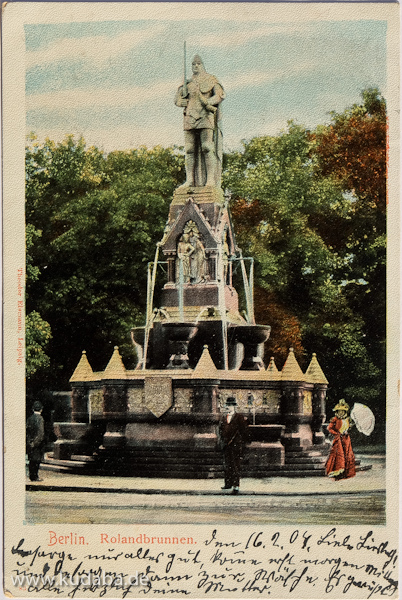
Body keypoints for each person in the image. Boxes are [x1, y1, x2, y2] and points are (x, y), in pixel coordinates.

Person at [175, 55, 225, 188]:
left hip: (205, 115)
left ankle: (210, 181)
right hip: (190, 116)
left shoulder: (211, 79)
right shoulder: (188, 83)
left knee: (207, 147)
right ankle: (190, 180)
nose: (195, 66)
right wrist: (181, 101)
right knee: (190, 149)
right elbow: (177, 99)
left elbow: (219, 95)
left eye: (198, 64)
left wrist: (208, 102)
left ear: (202, 65)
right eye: (193, 64)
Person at [219, 397, 250, 493]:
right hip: (226, 445)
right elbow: (221, 430)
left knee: (236, 465)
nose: (228, 407)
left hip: (236, 445)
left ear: (234, 407)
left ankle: (236, 486)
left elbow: (244, 431)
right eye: (227, 405)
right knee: (227, 465)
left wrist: (241, 442)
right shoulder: (224, 418)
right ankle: (228, 484)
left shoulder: (239, 417)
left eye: (230, 405)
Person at [325, 399, 356, 480]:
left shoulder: (348, 419)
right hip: (338, 439)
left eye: (342, 411)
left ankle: (346, 472)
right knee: (339, 455)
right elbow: (329, 428)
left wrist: (347, 430)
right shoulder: (335, 419)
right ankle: (337, 471)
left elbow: (347, 428)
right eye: (339, 411)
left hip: (346, 439)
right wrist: (337, 433)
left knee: (347, 454)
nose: (341, 413)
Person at [26, 400, 45, 482]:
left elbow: (27, 431)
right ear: (41, 409)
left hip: (30, 442)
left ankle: (32, 476)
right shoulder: (40, 419)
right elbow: (41, 433)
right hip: (37, 444)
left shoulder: (30, 418)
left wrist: (29, 442)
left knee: (31, 460)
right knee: (36, 460)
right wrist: (35, 443)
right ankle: (35, 477)